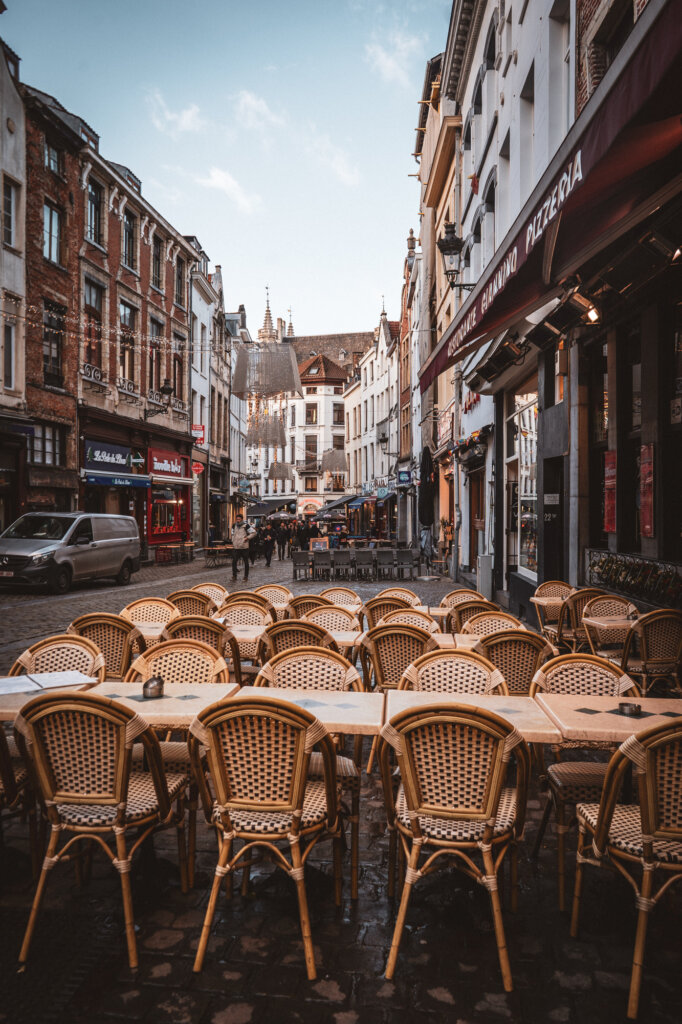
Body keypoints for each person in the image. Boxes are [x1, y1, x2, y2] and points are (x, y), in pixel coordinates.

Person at [231, 514, 252, 582]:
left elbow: (254, 533)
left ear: (242, 519)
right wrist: (233, 541)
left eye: (239, 519)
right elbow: (232, 534)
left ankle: (246, 576)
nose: (238, 520)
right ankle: (234, 576)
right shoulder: (234, 525)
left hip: (244, 547)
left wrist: (247, 538)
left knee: (246, 562)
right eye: (237, 519)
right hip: (236, 547)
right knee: (234, 562)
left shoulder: (246, 525)